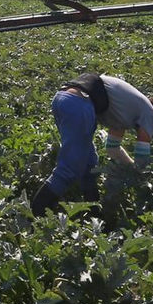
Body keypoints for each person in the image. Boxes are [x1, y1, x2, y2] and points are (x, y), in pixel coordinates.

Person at [30, 72, 113, 215]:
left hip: (63, 97)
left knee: (89, 163)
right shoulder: (143, 110)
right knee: (69, 168)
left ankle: (94, 214)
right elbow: (115, 140)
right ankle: (36, 213)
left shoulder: (118, 90)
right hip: (78, 104)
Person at [94, 76, 153, 171]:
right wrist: (143, 174)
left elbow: (112, 148)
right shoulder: (149, 112)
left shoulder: (124, 111)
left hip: (84, 87)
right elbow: (142, 157)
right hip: (86, 97)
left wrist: (130, 166)